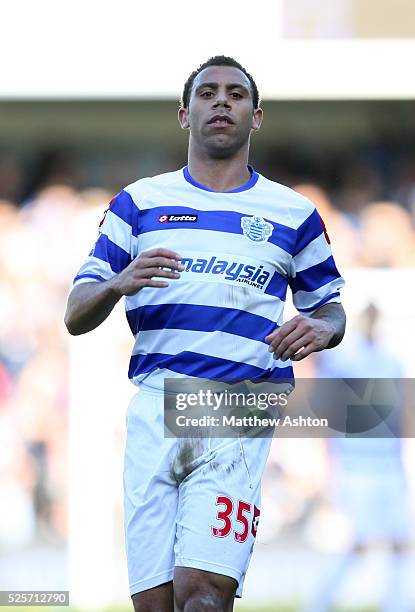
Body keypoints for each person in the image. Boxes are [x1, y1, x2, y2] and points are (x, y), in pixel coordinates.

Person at [64, 56, 346, 612]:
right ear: (184, 113)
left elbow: (331, 309)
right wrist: (120, 281)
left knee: (202, 600)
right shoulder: (139, 202)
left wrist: (321, 326)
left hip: (237, 406)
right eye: (208, 93)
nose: (222, 101)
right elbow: (75, 312)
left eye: (236, 94)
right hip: (154, 406)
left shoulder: (293, 212)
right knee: (155, 605)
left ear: (256, 116)